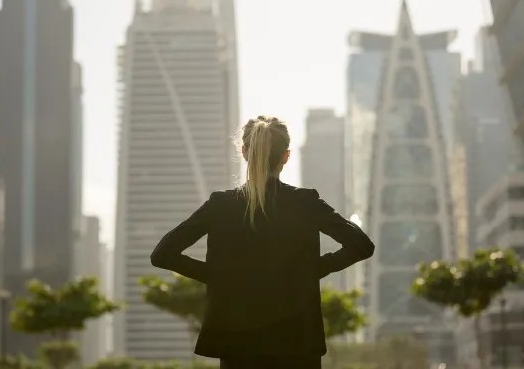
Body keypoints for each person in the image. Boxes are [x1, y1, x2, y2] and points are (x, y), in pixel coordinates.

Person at [150, 115, 374, 368]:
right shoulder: (306, 203)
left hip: (238, 344)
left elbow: (162, 254)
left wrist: (219, 275)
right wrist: (312, 270)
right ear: (285, 156)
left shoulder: (221, 205)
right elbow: (361, 245)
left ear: (244, 152)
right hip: (298, 342)